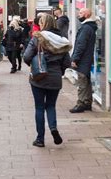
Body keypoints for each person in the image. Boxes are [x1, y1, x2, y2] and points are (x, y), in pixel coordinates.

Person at [24, 14, 72, 148]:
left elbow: (27, 56)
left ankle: (40, 139)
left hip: (39, 77)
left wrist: (33, 64)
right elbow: (67, 62)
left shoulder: (38, 37)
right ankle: (53, 128)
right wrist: (59, 71)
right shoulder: (62, 40)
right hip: (55, 78)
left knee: (39, 107)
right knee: (51, 106)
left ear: (43, 24)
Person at [70, 8, 97, 113]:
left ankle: (80, 103)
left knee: (81, 81)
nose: (78, 15)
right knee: (86, 81)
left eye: (80, 13)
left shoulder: (86, 28)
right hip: (87, 58)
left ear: (86, 15)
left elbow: (81, 45)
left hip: (83, 59)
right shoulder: (90, 27)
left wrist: (75, 59)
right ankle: (87, 102)